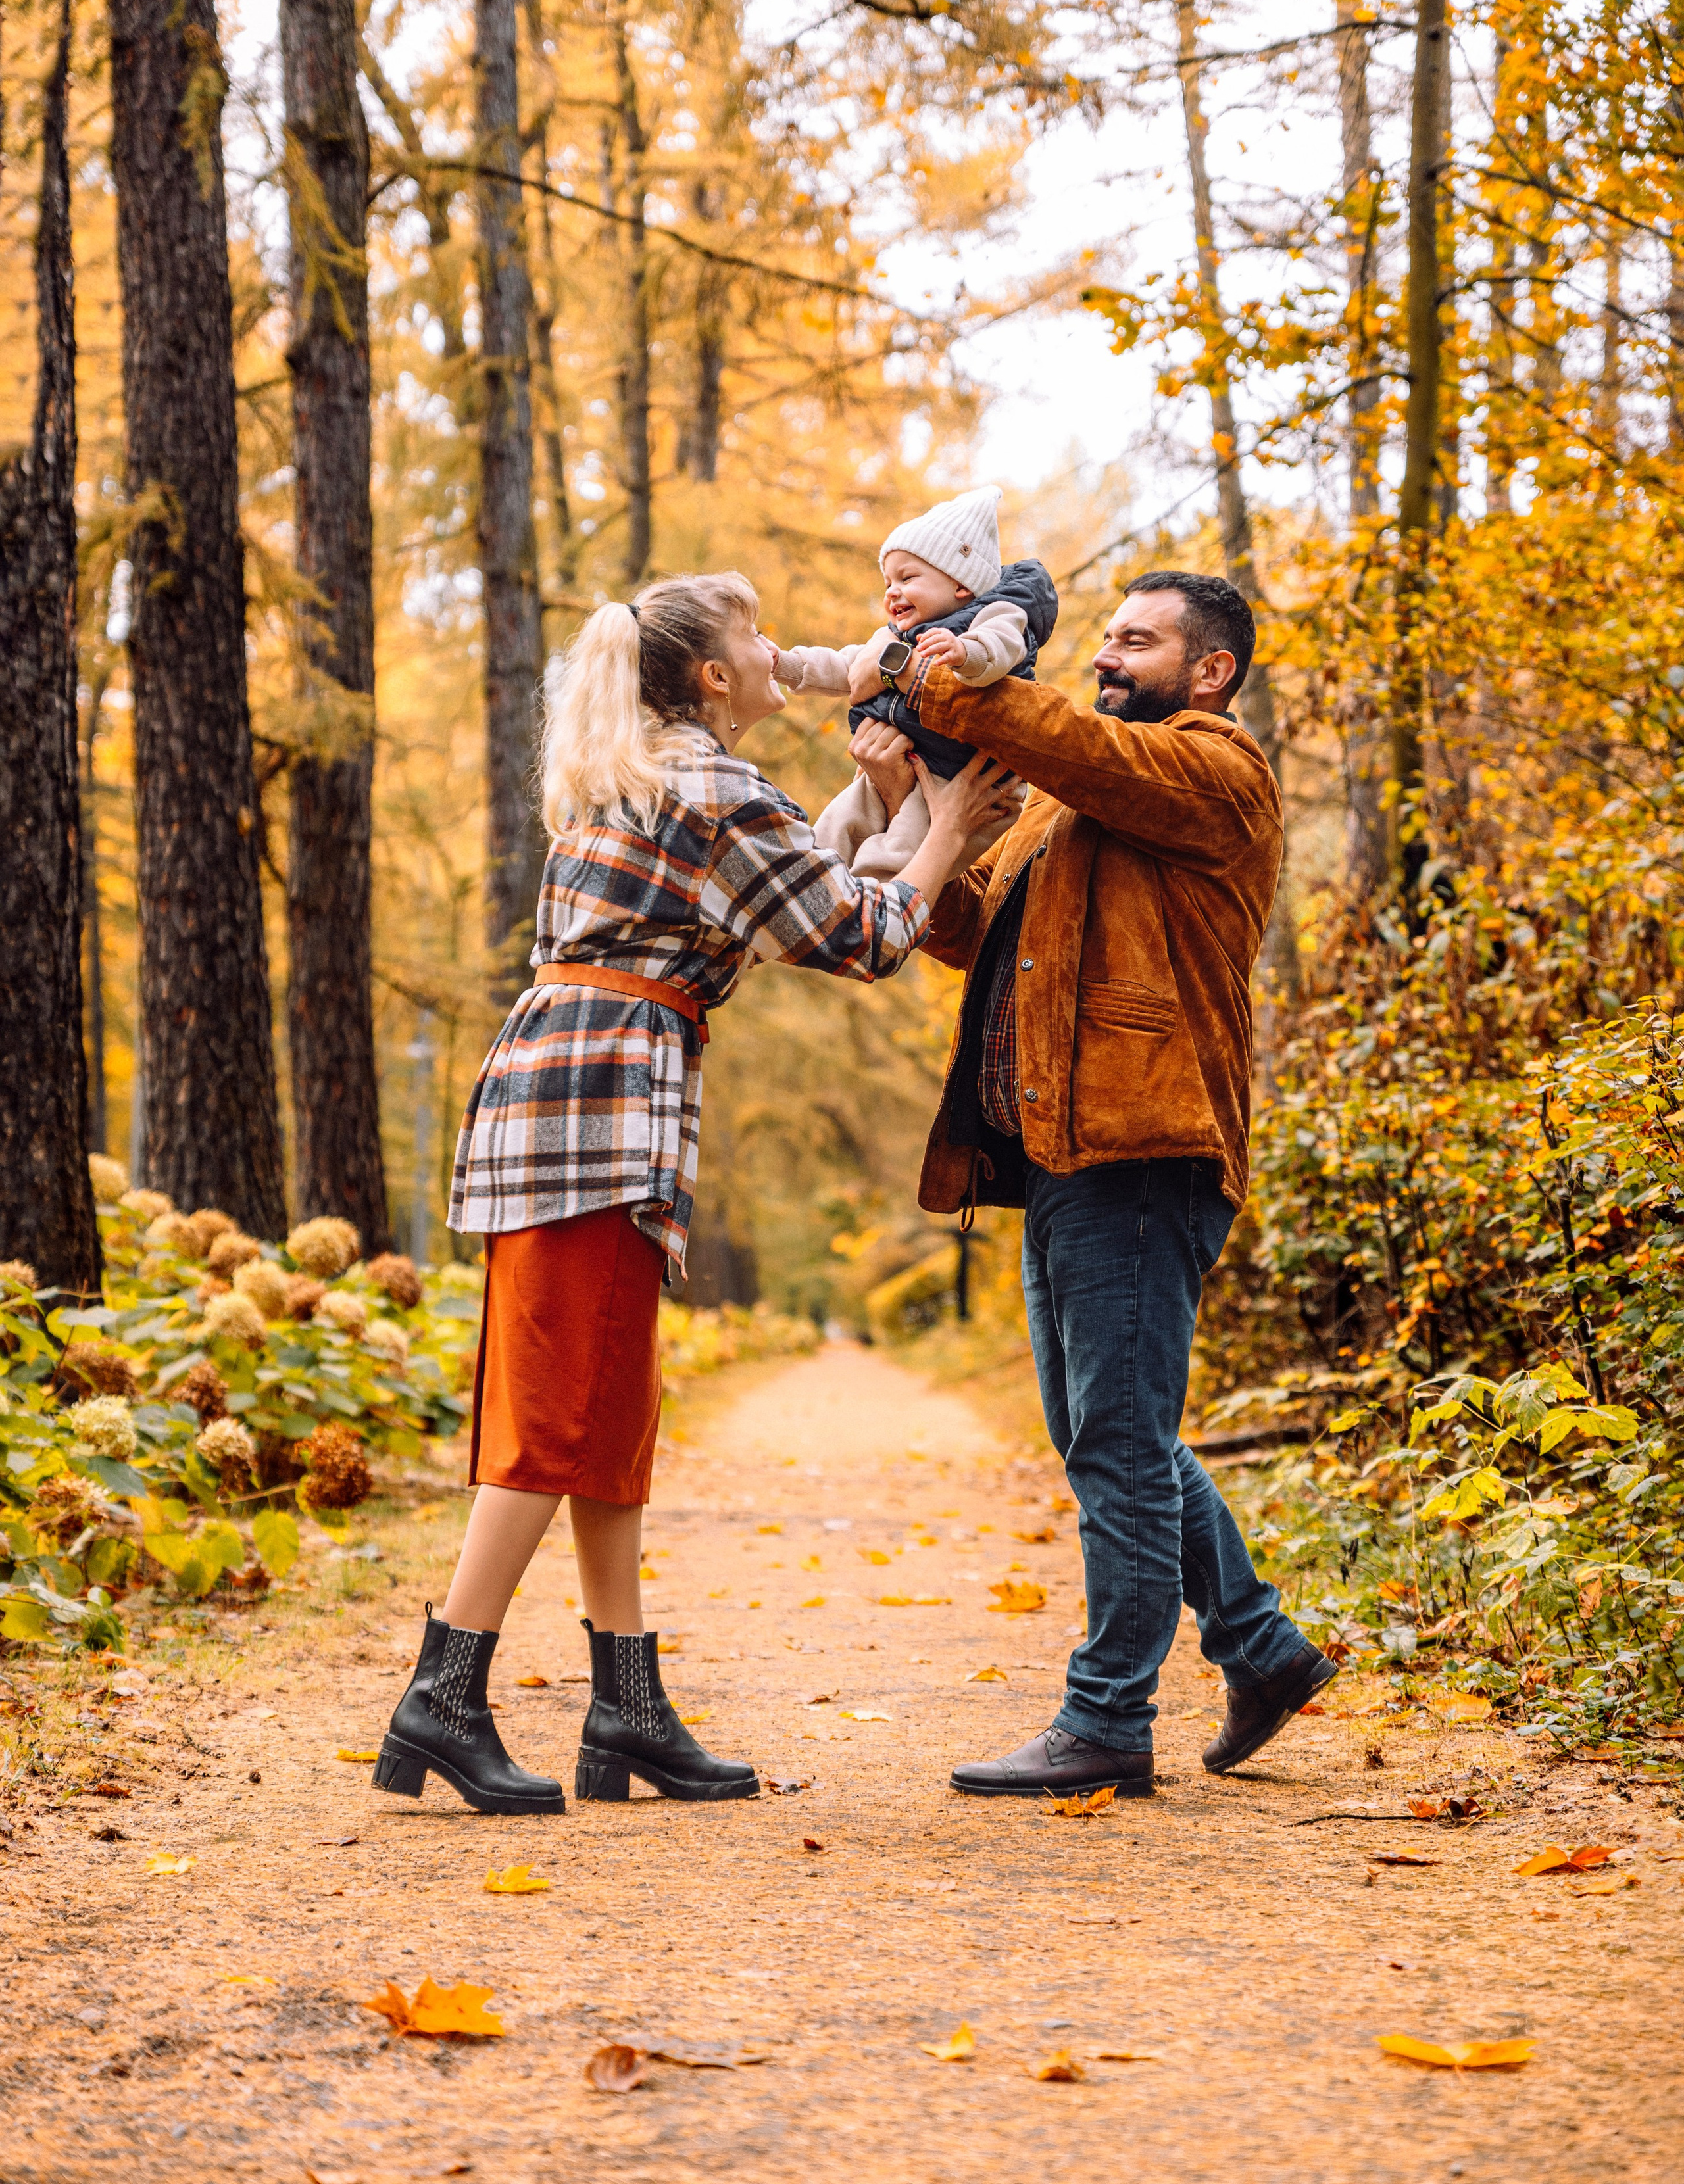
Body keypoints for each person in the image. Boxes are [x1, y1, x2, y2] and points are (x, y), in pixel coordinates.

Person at [373, 570, 1018, 1817]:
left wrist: (896, 808)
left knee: (603, 1412)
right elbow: (860, 934)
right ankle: (444, 1693)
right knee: (562, 1412)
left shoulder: (658, 774)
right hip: (595, 1114)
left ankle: (626, 1708)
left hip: (571, 1100)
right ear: (716, 676)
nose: (781, 648)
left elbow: (791, 890)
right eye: (756, 635)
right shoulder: (713, 786)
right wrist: (948, 825)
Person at [850, 569, 1337, 1798]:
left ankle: (1111, 1715)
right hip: (1065, 1152)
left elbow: (1058, 731)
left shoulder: (1215, 768)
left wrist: (963, 669)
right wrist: (914, 798)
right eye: (1106, 635)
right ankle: (1261, 1648)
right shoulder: (1077, 806)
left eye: (1137, 638)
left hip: (1144, 1146)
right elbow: (963, 930)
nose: (1110, 653)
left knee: (1116, 1437)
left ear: (1210, 668)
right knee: (1106, 1432)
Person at [776, 485, 1057, 877]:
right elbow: (845, 665)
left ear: (960, 583)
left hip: (958, 778)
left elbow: (1002, 647)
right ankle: (805, 886)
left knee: (898, 853)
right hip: (907, 761)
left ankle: (871, 915)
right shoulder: (895, 638)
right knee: (834, 826)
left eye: (907, 578)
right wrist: (786, 663)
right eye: (888, 582)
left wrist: (965, 652)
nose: (893, 592)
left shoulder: (999, 613)